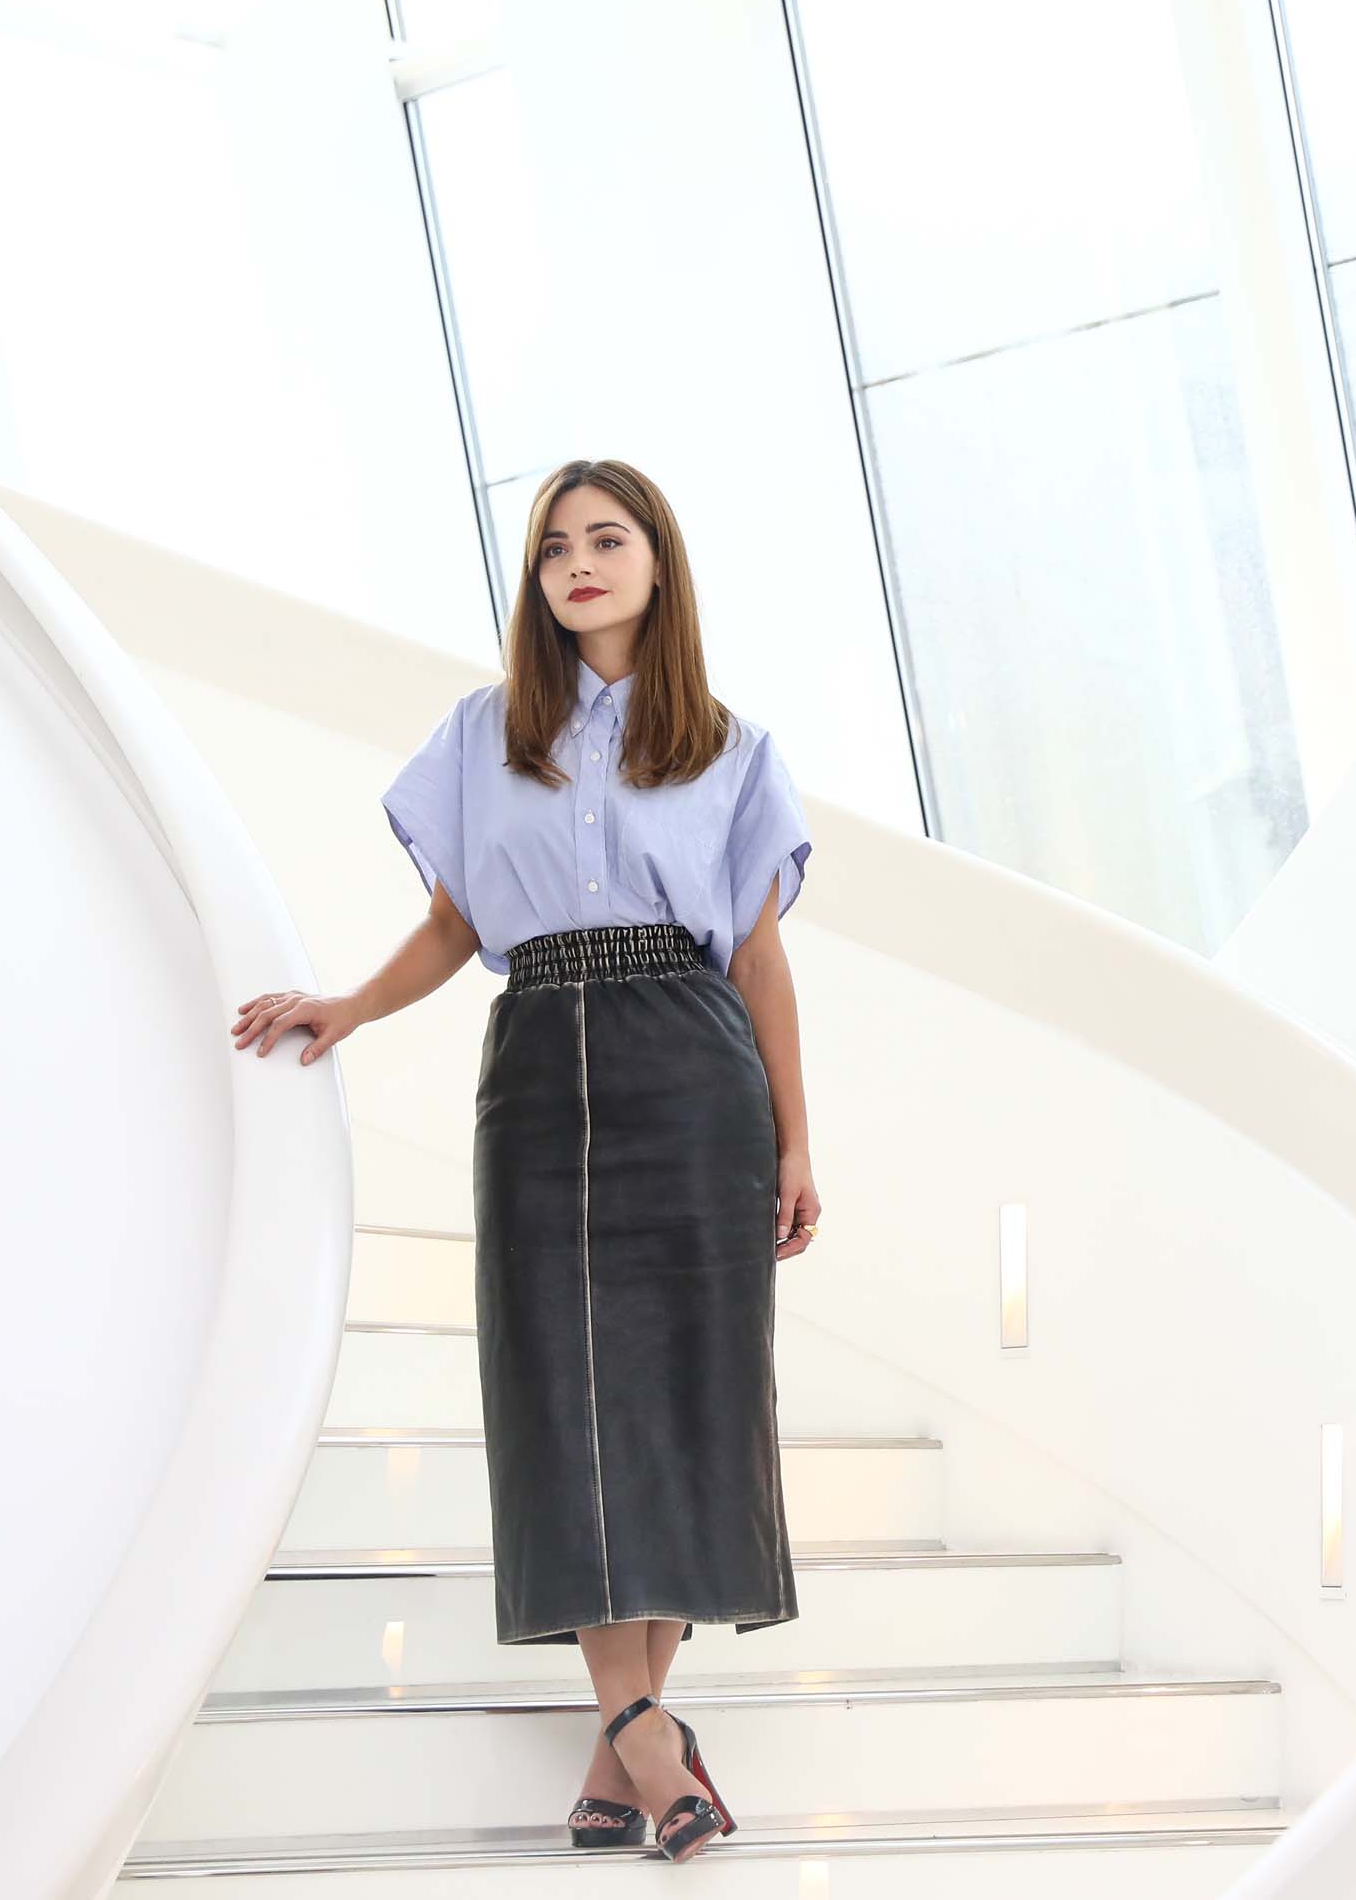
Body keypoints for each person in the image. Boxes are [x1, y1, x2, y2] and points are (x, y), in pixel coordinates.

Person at [227, 456, 822, 1863]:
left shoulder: (731, 750)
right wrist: (350, 1003)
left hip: (692, 1062)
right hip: (542, 1054)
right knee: (567, 1393)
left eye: (606, 540)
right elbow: (452, 921)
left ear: (657, 563)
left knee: (676, 1395)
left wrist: (797, 1136)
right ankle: (648, 1737)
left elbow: (757, 953)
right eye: (555, 546)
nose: (578, 564)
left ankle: (630, 1743)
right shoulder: (488, 731)